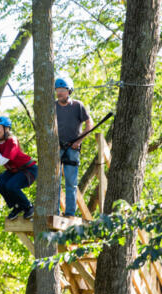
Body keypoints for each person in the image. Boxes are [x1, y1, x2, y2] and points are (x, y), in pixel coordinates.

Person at [0, 116, 38, 220]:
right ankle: (16, 207)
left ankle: (28, 207)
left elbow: (2, 161)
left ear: (6, 129)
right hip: (14, 171)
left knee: (10, 186)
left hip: (28, 169)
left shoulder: (12, 141)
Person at [55, 76, 94, 218]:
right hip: (57, 148)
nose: (59, 93)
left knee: (71, 182)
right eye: (57, 90)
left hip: (72, 149)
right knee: (54, 182)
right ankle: (54, 211)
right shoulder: (53, 106)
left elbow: (90, 124)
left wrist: (79, 141)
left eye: (62, 90)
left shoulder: (77, 106)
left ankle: (70, 213)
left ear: (69, 91)